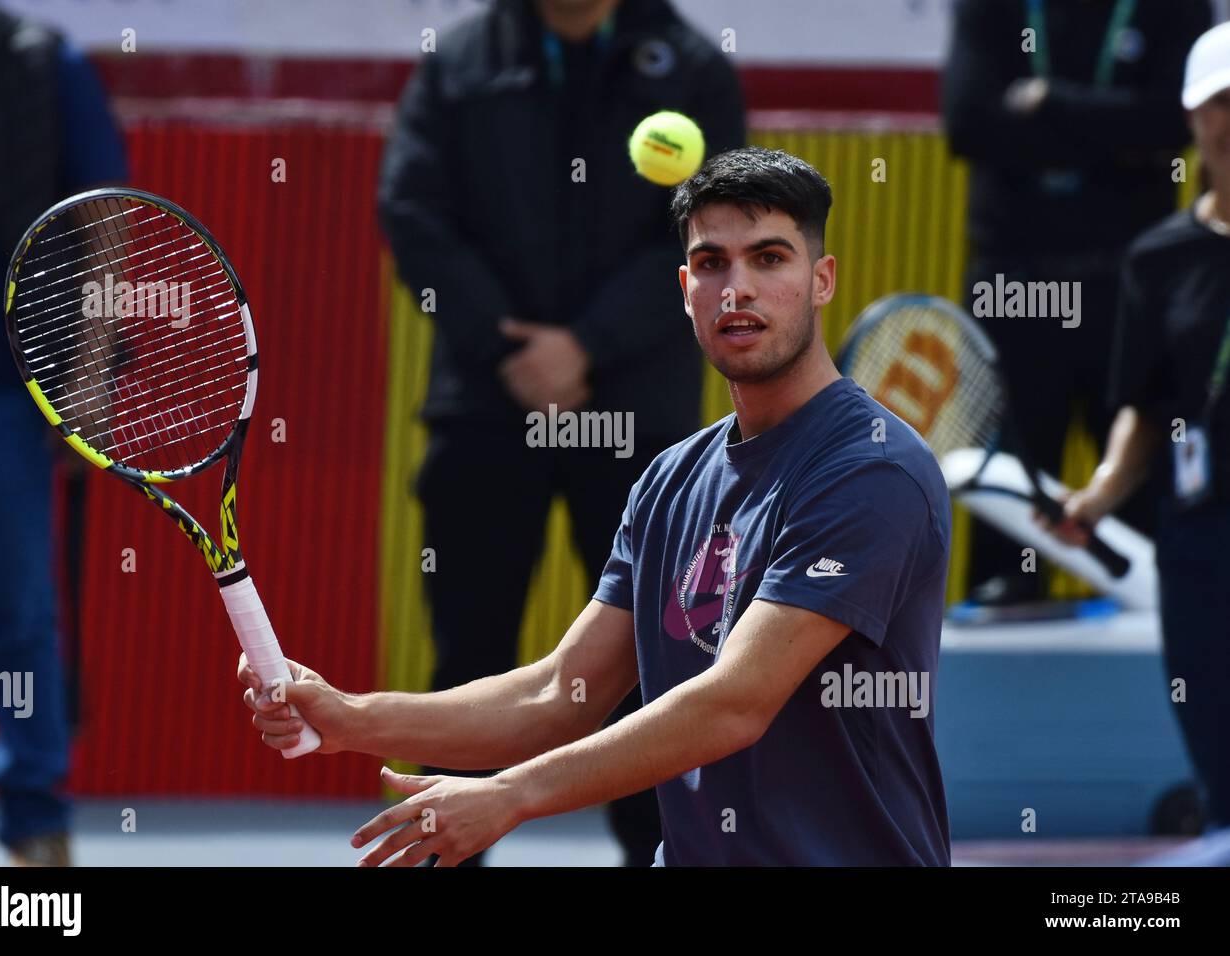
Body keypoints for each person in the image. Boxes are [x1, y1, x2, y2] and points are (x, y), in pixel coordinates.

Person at [244, 147, 952, 866]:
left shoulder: (871, 471)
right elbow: (562, 692)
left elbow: (736, 701)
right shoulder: (670, 482)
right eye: (711, 264)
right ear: (685, 287)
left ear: (821, 279)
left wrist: (509, 795)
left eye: (770, 258)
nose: (737, 289)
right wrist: (351, 717)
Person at [377, 0, 744, 865]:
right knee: (469, 659)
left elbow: (714, 233)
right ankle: (440, 853)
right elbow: (413, 213)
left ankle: (663, 858)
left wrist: (587, 345)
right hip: (485, 405)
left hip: (637, 422)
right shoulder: (460, 63)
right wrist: (507, 344)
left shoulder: (691, 67)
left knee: (651, 667)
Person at [0, 0, 127, 865]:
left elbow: (108, 223)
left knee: (20, 614)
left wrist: (87, 369)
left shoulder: (44, 64)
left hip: (5, 391)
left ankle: (34, 819)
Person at [943, 0, 1211, 604]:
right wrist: (1112, 138)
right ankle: (1008, 666)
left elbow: (1172, 124)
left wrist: (1048, 103)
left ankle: (1164, 661)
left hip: (1130, 280)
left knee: (1146, 502)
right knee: (1008, 521)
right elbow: (969, 124)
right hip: (1014, 283)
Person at [1046, 20, 1230, 835]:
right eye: (1220, 102)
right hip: (1202, 538)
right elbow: (1146, 409)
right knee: (1217, 747)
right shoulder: (1158, 257)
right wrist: (1099, 494)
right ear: (1193, 118)